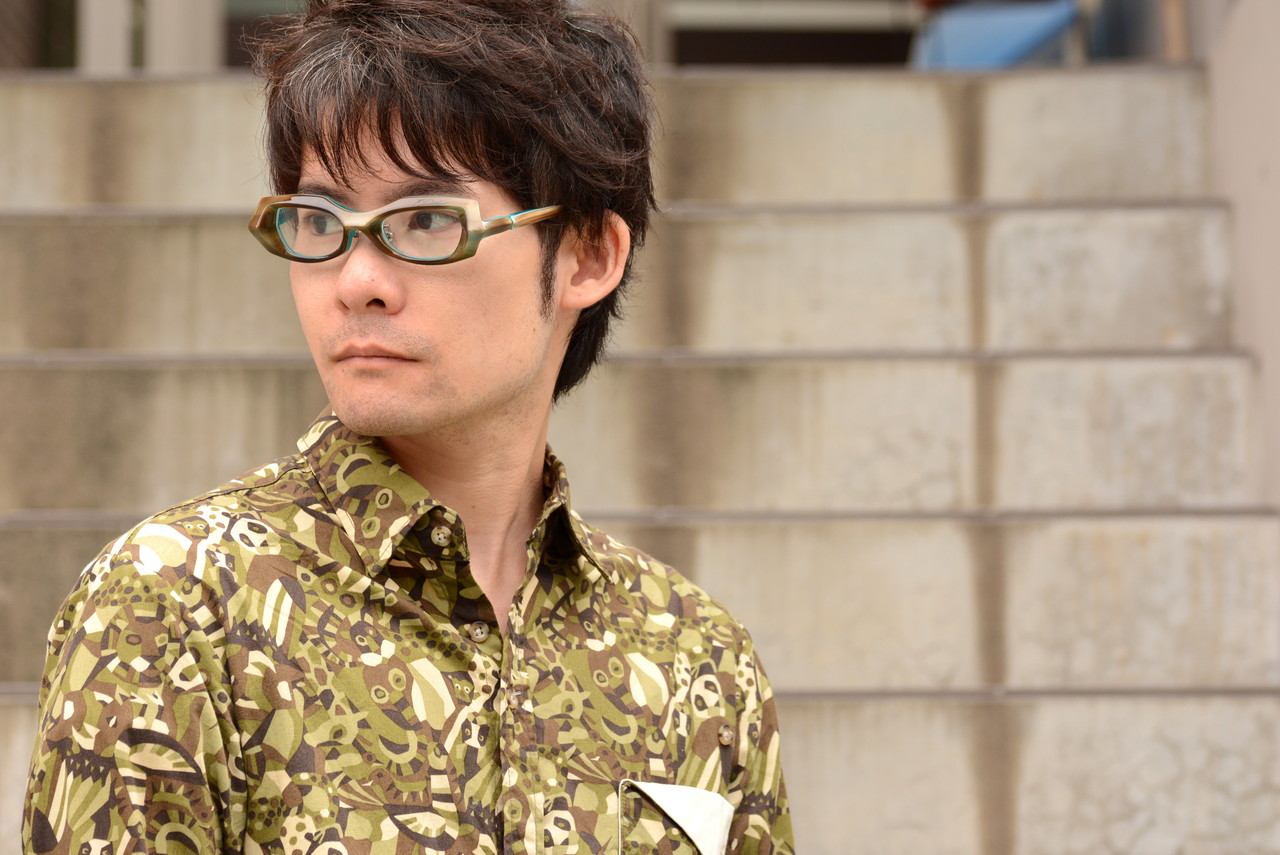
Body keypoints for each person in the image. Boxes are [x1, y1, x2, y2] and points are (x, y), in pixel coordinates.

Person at [22, 1, 792, 853]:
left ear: (588, 255)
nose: (356, 281)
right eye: (321, 221)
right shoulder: (177, 604)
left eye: (425, 221)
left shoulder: (698, 658)